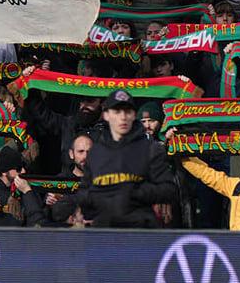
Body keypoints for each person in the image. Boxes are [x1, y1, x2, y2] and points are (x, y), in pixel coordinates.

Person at [75, 89, 179, 227]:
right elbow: (84, 191)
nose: (123, 117)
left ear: (134, 115)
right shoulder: (96, 152)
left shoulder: (151, 149)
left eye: (127, 112)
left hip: (140, 230)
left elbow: (169, 190)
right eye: (117, 112)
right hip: (104, 231)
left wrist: (134, 191)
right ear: (106, 115)